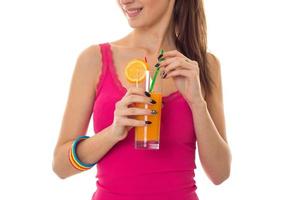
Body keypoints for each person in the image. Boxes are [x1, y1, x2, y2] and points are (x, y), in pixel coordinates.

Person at [52, 0, 232, 199]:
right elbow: (61, 166)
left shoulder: (204, 65)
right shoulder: (94, 59)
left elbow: (220, 174)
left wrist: (197, 104)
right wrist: (113, 133)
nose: (124, 1)